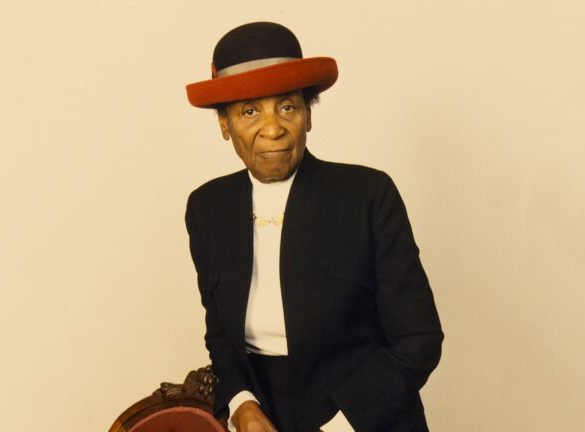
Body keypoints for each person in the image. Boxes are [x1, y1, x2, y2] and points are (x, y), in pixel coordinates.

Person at [184, 22, 443, 432]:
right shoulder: (208, 208)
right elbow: (220, 335)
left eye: (287, 106)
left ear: (308, 115)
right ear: (224, 124)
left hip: (364, 418)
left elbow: (419, 341)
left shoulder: (367, 195)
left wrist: (339, 427)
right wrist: (241, 404)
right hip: (264, 419)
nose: (273, 128)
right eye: (250, 111)